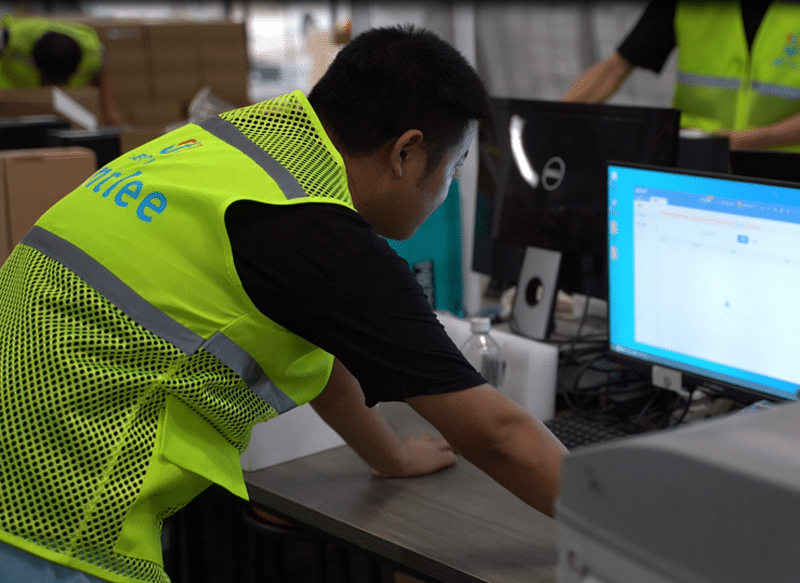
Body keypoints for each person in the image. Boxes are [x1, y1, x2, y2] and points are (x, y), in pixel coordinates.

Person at [0, 24, 568, 583]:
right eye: (456, 165)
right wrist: (633, 530)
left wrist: (391, 455)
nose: (450, 185)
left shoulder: (230, 146)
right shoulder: (317, 232)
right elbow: (497, 435)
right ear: (407, 153)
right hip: (50, 516)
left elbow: (319, 343)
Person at [562, 0, 800, 151]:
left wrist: (743, 141)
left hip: (783, 170)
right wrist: (549, 120)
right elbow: (613, 70)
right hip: (695, 166)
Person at [0, 13, 126, 125]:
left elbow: (101, 71)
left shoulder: (93, 53)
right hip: (10, 92)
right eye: (48, 82)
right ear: (36, 67)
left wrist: (109, 110)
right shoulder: (11, 38)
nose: (51, 89)